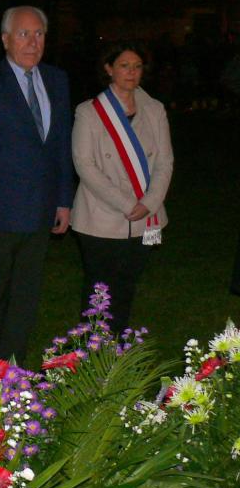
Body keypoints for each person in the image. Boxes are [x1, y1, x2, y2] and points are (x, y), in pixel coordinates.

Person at [0, 6, 74, 363]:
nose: (32, 42)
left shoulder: (56, 81)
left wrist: (63, 201)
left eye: (39, 34)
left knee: (25, 298)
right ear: (6, 39)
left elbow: (60, 145)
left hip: (39, 213)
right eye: (24, 34)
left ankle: (13, 372)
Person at [71, 42, 173, 332]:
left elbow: (165, 161)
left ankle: (118, 348)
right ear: (109, 69)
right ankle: (92, 350)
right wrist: (127, 204)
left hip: (147, 218)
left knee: (127, 286)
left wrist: (149, 202)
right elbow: (85, 165)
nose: (131, 72)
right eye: (124, 65)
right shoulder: (89, 111)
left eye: (137, 66)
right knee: (99, 291)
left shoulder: (154, 109)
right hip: (101, 218)